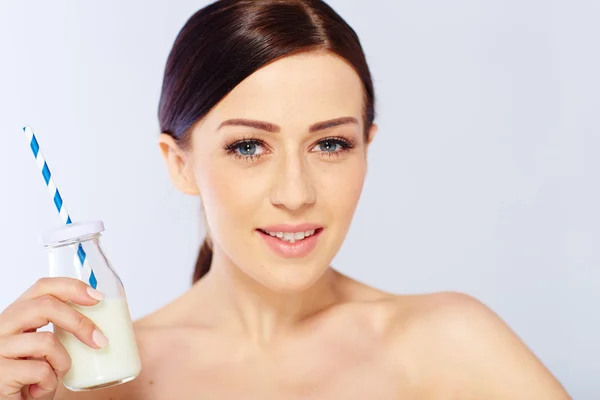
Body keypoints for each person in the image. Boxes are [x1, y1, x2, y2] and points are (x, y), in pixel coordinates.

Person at [0, 1, 571, 399]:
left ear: (367, 147)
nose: (296, 194)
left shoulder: (453, 341)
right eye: (249, 146)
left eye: (330, 143)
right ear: (181, 163)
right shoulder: (89, 381)